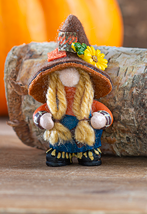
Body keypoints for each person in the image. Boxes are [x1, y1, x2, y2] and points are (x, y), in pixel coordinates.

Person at [29, 15, 113, 167]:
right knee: (59, 147)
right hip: (60, 141)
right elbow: (40, 111)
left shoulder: (90, 104)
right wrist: (43, 118)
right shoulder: (53, 104)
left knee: (88, 149)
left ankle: (87, 153)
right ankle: (61, 154)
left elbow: (104, 111)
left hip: (87, 142)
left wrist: (101, 118)